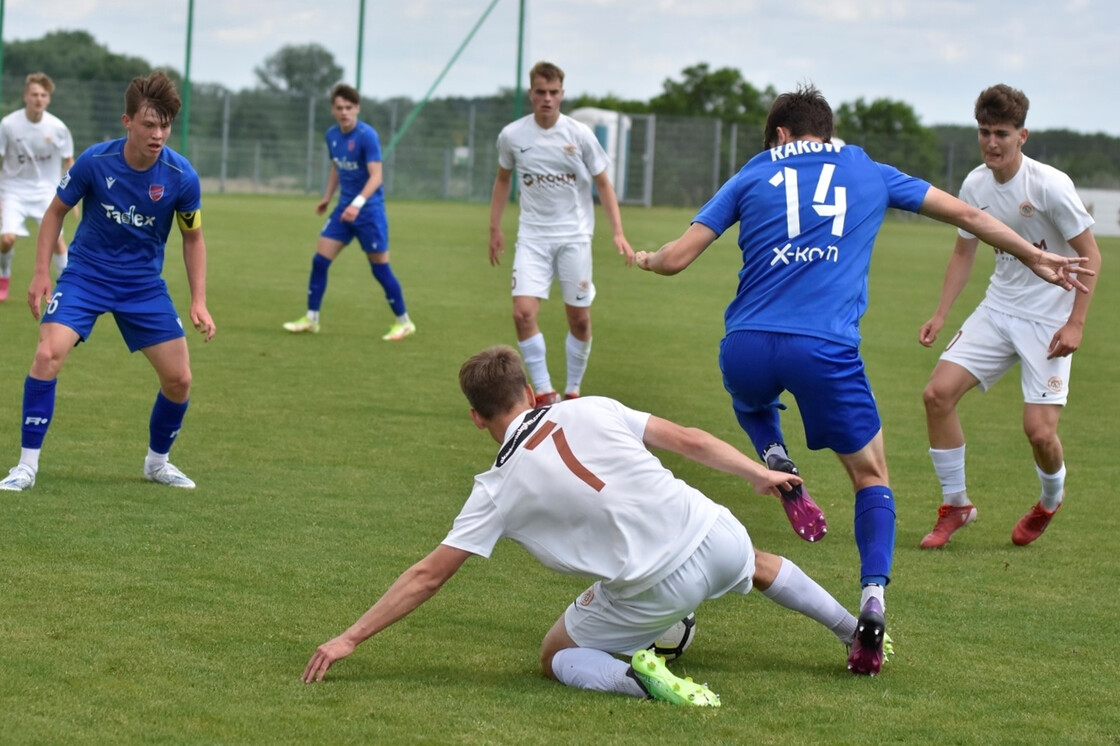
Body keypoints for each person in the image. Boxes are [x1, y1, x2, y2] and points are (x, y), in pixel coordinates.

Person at [632, 84, 1093, 675]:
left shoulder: (753, 171)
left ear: (778, 135)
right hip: (823, 349)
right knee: (871, 475)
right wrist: (1033, 255)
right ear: (824, 130)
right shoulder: (865, 169)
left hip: (746, 342)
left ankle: (778, 460)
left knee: (750, 398)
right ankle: (872, 599)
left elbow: (675, 258)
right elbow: (970, 217)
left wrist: (645, 259)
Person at [303, 345, 872, 704]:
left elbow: (428, 576)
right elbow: (690, 440)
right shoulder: (590, 405)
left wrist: (350, 637)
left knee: (556, 655)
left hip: (656, 585)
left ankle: (643, 681)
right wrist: (757, 474)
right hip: (717, 534)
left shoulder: (495, 489)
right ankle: (858, 630)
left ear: (476, 418)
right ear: (528, 392)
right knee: (759, 565)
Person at [0, 71, 215, 492]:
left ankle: (157, 463)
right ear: (127, 121)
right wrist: (43, 272)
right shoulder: (96, 162)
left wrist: (199, 300)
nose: (158, 134)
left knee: (180, 379)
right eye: (149, 124)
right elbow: (54, 213)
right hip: (86, 277)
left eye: (165, 125)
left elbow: (193, 237)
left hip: (143, 286)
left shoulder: (182, 176)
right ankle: (25, 467)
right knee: (47, 355)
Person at [917, 85, 1101, 549]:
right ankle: (956, 504)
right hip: (998, 310)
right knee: (937, 395)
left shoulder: (1049, 186)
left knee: (1039, 433)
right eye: (984, 132)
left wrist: (1075, 322)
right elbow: (963, 253)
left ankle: (1049, 499)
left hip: (1048, 321)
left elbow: (1091, 254)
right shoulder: (975, 185)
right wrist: (941, 313)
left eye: (1001, 133)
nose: (991, 143)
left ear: (1023, 135)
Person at [488, 62, 634, 406]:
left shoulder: (580, 134)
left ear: (562, 94)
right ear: (531, 94)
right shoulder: (512, 136)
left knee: (580, 321)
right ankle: (544, 392)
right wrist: (494, 227)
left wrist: (618, 232)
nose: (547, 99)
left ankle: (573, 390)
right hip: (533, 238)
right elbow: (503, 179)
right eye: (541, 92)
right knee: (522, 313)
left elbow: (603, 183)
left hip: (574, 238)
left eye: (554, 93)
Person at [283, 84, 414, 341]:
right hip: (344, 210)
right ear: (333, 110)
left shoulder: (367, 136)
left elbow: (376, 177)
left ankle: (404, 322)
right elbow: (336, 168)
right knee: (320, 261)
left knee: (380, 269)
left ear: (357, 109)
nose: (344, 112)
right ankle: (311, 318)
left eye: (349, 108)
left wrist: (357, 204)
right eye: (339, 108)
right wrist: (327, 197)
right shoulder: (332, 135)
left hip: (369, 212)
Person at [0, 72, 75, 302]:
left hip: (46, 192)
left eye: (43, 95)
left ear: (48, 99)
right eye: (34, 94)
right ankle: (4, 274)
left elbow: (69, 161)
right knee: (7, 239)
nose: (38, 99)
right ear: (26, 96)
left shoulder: (58, 127)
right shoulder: (8, 125)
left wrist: (72, 196)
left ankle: (67, 290)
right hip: (13, 190)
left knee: (58, 242)